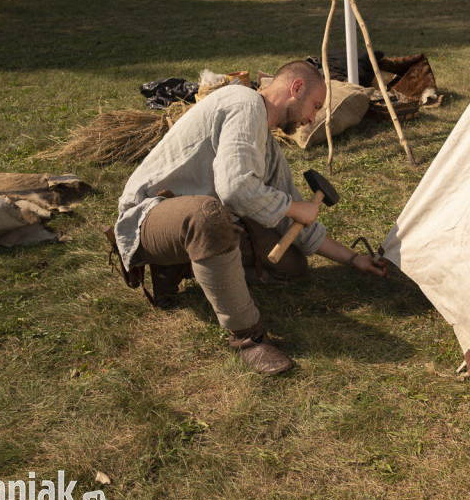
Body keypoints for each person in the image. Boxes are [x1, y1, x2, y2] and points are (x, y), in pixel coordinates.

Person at [113, 60, 387, 374]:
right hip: (149, 218)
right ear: (296, 88)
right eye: (314, 106)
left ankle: (181, 267)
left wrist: (353, 259)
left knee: (292, 265)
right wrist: (294, 208)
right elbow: (234, 188)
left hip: (198, 221)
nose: (312, 118)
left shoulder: (269, 148)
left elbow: (295, 222)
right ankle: (247, 337)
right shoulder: (243, 102)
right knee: (208, 214)